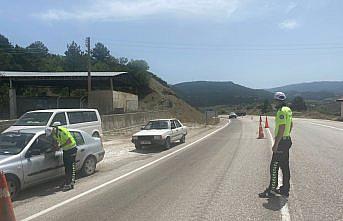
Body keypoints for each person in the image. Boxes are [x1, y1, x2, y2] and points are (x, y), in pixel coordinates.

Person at [259, 92, 293, 198]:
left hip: (282, 142)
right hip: (287, 140)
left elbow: (282, 127)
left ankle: (271, 190)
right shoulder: (288, 109)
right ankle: (285, 189)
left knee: (274, 166)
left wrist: (276, 143)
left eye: (275, 101)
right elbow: (291, 124)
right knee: (284, 166)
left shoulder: (281, 112)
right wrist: (287, 135)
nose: (274, 103)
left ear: (277, 101)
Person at [46, 123, 77, 191]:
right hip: (65, 150)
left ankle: (71, 183)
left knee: (71, 166)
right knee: (66, 166)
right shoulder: (54, 133)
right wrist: (54, 148)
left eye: (51, 134)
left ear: (53, 129)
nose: (51, 135)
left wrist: (60, 146)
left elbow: (69, 141)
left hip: (71, 149)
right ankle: (67, 181)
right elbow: (56, 141)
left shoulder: (61, 131)